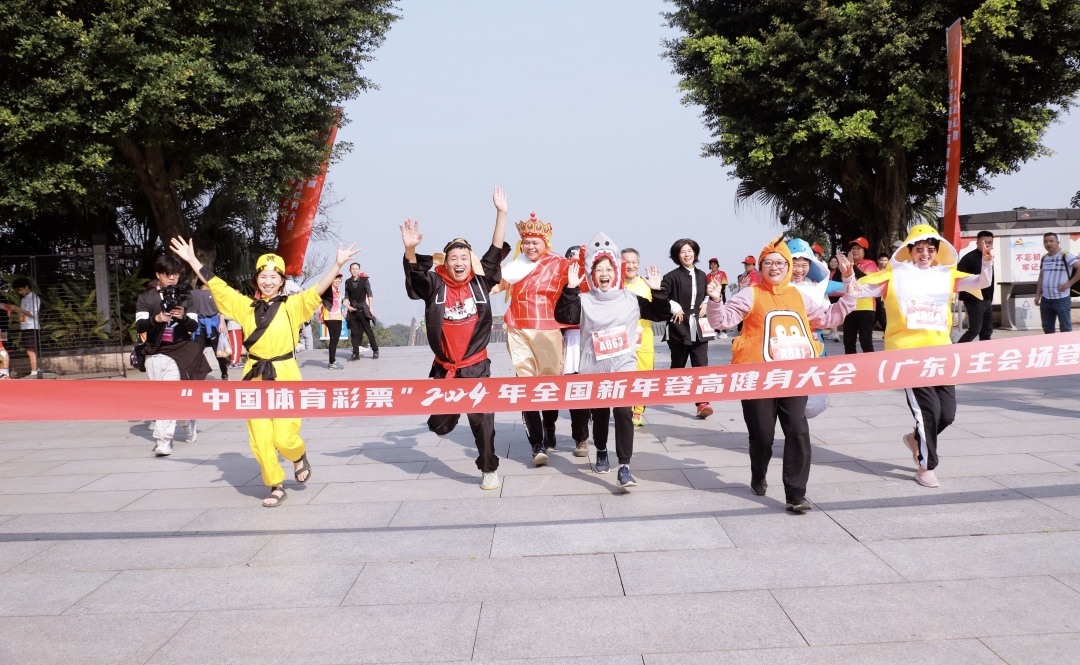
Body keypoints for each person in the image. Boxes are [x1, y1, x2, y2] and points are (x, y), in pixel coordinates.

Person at [170, 236, 359, 507]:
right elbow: (219, 286)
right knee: (260, 438)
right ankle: (276, 484)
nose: (268, 281)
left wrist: (337, 264)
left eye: (273, 277)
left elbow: (317, 290)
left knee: (284, 437)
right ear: (256, 279)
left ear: (282, 280)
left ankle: (297, 455)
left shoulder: (293, 306)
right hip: (254, 374)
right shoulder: (245, 307)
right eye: (263, 276)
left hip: (285, 373)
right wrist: (192, 260)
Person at [705, 237, 857, 512]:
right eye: (768, 263)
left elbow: (829, 317)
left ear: (787, 267)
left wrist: (849, 292)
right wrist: (715, 301)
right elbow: (722, 320)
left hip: (794, 375)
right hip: (758, 378)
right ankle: (758, 473)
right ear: (761, 267)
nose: (774, 267)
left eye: (780, 263)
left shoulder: (798, 296)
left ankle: (796, 494)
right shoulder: (750, 294)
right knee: (762, 436)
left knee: (797, 430)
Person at [855, 224, 993, 489]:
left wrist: (986, 263)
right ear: (909, 251)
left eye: (930, 249)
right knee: (928, 413)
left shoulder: (945, 275)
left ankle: (915, 439)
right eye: (919, 249)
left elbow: (980, 282)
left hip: (941, 354)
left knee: (947, 414)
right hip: (909, 355)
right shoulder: (893, 276)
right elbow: (860, 290)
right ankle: (925, 467)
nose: (925, 254)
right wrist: (849, 276)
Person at [401, 186, 510, 489]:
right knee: (439, 425)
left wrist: (501, 213)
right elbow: (415, 277)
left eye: (464, 257)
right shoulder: (435, 284)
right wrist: (410, 250)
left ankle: (488, 468)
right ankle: (451, 412)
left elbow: (495, 249)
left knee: (483, 423)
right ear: (446, 262)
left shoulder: (481, 282)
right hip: (445, 368)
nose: (459, 262)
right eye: (453, 258)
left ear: (470, 261)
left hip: (476, 367)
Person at [555, 233, 670, 489]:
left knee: (622, 411)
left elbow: (660, 313)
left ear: (616, 271)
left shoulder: (630, 299)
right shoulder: (584, 300)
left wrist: (657, 291)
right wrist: (571, 289)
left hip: (623, 364)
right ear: (592, 274)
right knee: (600, 413)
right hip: (594, 365)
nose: (604, 274)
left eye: (608, 269)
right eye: (599, 270)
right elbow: (565, 316)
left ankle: (625, 466)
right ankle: (601, 450)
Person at [499, 211, 570, 465]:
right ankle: (536, 444)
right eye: (526, 242)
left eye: (535, 242)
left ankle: (549, 424)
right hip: (518, 329)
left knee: (549, 385)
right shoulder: (514, 268)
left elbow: (585, 277)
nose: (530, 246)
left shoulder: (559, 264)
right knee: (527, 385)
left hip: (547, 330)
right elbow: (492, 286)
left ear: (545, 243)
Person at [134, 256, 210, 456]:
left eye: (175, 275)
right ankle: (187, 420)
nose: (172, 278)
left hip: (180, 350)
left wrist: (182, 317)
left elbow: (194, 325)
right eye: (167, 275)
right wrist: (156, 319)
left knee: (168, 394)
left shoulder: (186, 296)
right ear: (158, 275)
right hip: (154, 350)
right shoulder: (146, 298)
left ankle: (163, 440)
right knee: (161, 395)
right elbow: (140, 325)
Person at [661, 238, 714, 419]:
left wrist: (707, 302)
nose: (687, 254)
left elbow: (710, 292)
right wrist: (673, 305)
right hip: (679, 324)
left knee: (701, 364)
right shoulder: (671, 277)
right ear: (677, 255)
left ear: (695, 253)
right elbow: (661, 295)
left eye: (690, 251)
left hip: (699, 325)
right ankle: (670, 388)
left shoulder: (702, 275)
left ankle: (702, 403)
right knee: (678, 363)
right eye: (683, 251)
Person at [560, 244, 593, 457]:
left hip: (596, 342)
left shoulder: (597, 280)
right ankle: (581, 438)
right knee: (577, 393)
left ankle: (600, 439)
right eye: (572, 260)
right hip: (571, 341)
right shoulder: (560, 283)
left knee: (597, 392)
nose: (577, 263)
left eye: (581, 259)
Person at [786, 238, 844, 356]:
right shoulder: (777, 288)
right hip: (787, 344)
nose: (799, 270)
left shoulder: (818, 286)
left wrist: (849, 276)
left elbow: (854, 288)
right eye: (794, 265)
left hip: (815, 341)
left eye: (804, 265)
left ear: (811, 265)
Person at [622, 247, 654, 427]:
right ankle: (625, 407)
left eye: (633, 262)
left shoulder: (647, 283)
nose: (630, 265)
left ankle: (638, 410)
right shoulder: (615, 284)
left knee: (643, 374)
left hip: (644, 337)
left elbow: (661, 304)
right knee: (625, 375)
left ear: (638, 264)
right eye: (626, 262)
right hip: (622, 338)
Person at [1034, 232, 1079, 334]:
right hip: (1046, 299)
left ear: (1058, 242)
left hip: (1061, 299)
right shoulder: (1044, 258)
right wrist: (1037, 295)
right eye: (1045, 242)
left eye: (1051, 241)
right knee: (1047, 328)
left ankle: (1067, 344)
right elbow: (1041, 277)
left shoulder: (1066, 255)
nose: (1048, 244)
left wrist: (1070, 283)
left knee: (1065, 328)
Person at [957, 230, 996, 343]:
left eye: (990, 242)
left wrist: (990, 299)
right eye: (984, 242)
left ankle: (985, 351)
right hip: (974, 301)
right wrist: (968, 298)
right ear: (977, 243)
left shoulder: (988, 257)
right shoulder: (968, 258)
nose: (987, 245)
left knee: (987, 330)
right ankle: (957, 349)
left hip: (987, 299)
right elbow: (959, 279)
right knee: (975, 329)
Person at [842, 236, 878, 354]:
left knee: (865, 342)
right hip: (849, 307)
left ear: (864, 251)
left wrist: (851, 265)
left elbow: (864, 279)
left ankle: (870, 364)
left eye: (858, 248)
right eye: (853, 248)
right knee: (848, 342)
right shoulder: (846, 264)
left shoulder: (870, 264)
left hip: (865, 308)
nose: (855, 251)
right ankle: (850, 364)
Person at [189, 282, 230, 380]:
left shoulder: (193, 294)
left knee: (196, 352)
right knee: (219, 351)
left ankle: (196, 374)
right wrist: (221, 324)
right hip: (213, 326)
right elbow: (221, 311)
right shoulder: (215, 294)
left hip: (200, 327)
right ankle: (224, 372)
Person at [344, 262, 379, 359]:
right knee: (354, 333)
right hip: (352, 310)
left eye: (356, 269)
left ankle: (375, 350)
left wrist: (371, 307)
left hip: (363, 309)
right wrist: (347, 307)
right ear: (350, 270)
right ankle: (355, 353)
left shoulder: (364, 280)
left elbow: (370, 294)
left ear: (359, 270)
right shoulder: (347, 282)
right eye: (353, 269)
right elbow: (346, 296)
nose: (354, 270)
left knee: (368, 330)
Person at [11, 277, 42, 377]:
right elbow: (23, 313)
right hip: (25, 327)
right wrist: (19, 313)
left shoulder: (34, 298)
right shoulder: (23, 299)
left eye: (21, 289)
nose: (20, 292)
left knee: (30, 350)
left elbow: (33, 314)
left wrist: (18, 309)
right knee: (30, 350)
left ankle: (34, 371)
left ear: (27, 287)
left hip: (32, 327)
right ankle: (36, 369)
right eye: (18, 290)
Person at [320, 274, 346, 369]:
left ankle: (333, 361)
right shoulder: (328, 289)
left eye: (339, 279)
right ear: (331, 280)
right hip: (330, 317)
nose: (338, 280)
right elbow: (320, 293)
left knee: (335, 339)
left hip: (338, 317)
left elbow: (339, 303)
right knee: (333, 339)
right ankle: (332, 363)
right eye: (336, 278)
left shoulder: (337, 291)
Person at [0, 302, 30, 379]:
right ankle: (3, 373)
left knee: (2, 351)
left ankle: (4, 374)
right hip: (3, 329)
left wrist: (22, 314)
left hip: (2, 329)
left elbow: (13, 308)